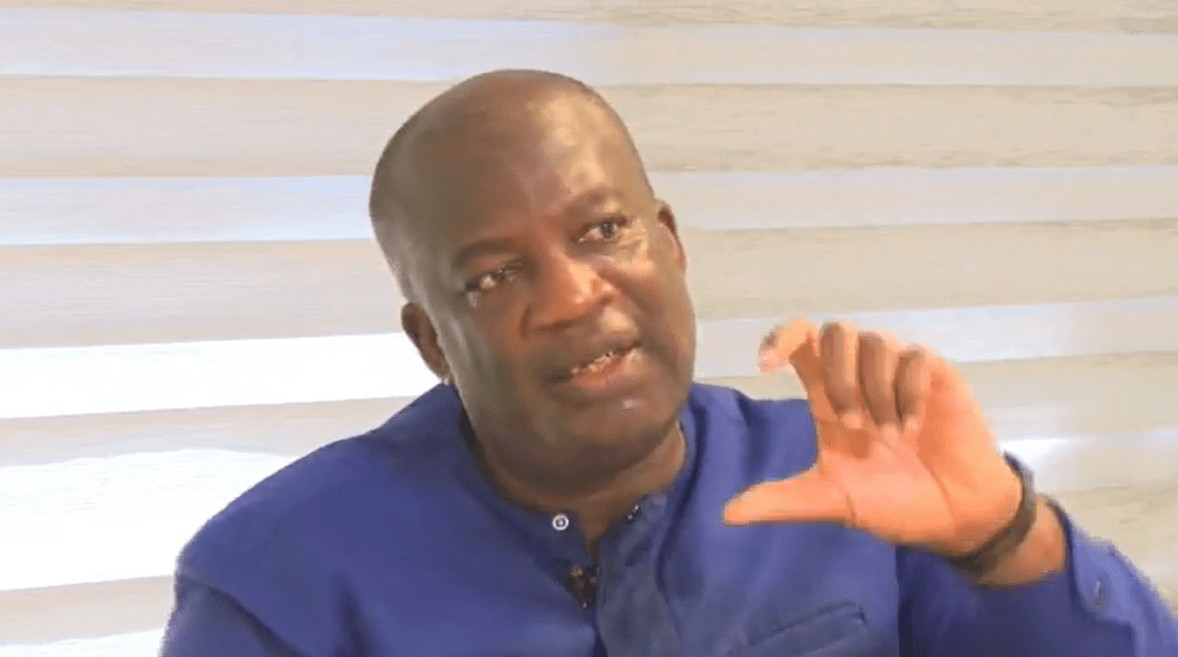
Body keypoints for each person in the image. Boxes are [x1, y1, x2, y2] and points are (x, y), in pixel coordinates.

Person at [159, 69, 1178, 656]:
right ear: (433, 344)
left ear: (672, 245)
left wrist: (1000, 534)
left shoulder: (857, 479)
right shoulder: (276, 581)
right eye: (494, 276)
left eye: (603, 231)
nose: (573, 296)